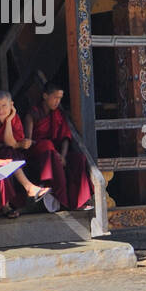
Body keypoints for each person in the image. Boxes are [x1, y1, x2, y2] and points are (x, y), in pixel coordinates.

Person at [0, 90, 55, 210]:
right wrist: (16, 144)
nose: (0, 110)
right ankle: (29, 187)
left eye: (4, 106)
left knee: (13, 153)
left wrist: (9, 121)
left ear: (11, 105)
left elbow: (10, 143)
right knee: (9, 153)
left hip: (9, 152)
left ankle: (30, 191)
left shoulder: (14, 117)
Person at [25, 81, 94, 211]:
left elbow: (65, 138)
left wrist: (62, 155)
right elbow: (29, 142)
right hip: (40, 155)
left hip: (57, 154)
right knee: (47, 145)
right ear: (45, 96)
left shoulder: (58, 115)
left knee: (79, 159)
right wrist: (52, 151)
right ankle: (62, 201)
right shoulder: (32, 114)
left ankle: (80, 202)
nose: (57, 101)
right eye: (55, 98)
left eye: (60, 98)